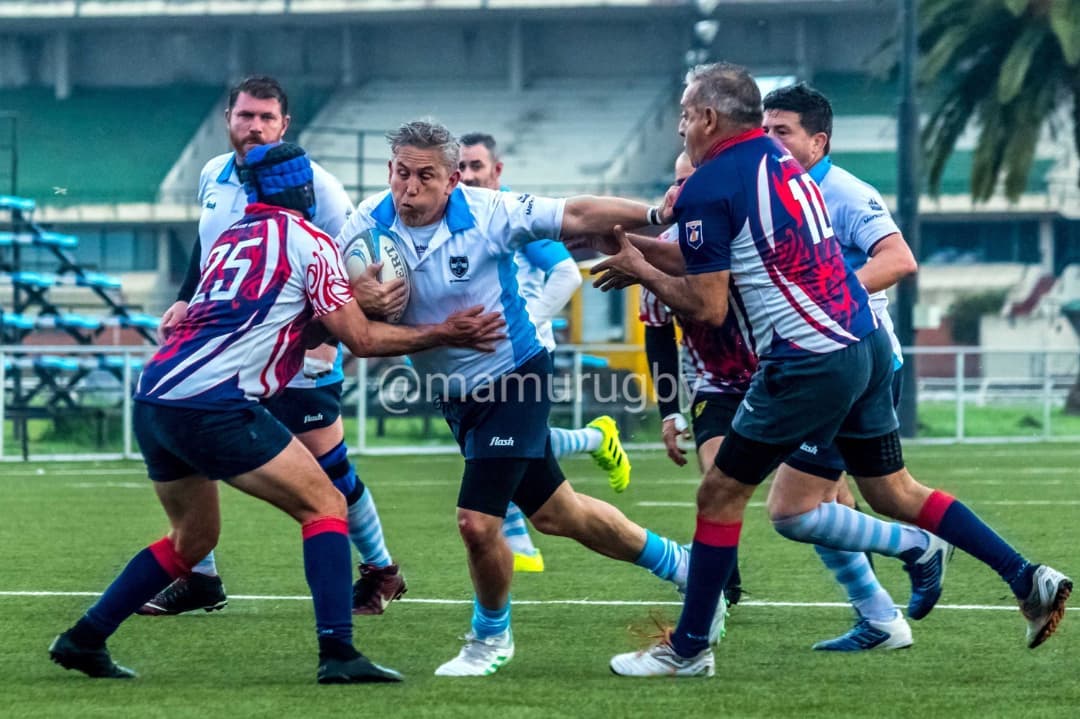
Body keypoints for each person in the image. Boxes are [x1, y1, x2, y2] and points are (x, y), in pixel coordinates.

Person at [588, 62, 1070, 677]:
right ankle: (1026, 576)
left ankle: (688, 649)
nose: (679, 129)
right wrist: (640, 247)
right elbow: (712, 253)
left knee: (721, 492)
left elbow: (707, 304)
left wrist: (641, 269)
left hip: (808, 359)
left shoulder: (712, 185)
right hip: (864, 343)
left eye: (683, 116)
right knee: (891, 491)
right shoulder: (781, 163)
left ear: (708, 119)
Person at [49, 142, 506, 683]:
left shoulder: (230, 239)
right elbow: (357, 340)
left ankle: (83, 638)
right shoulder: (310, 241)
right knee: (326, 505)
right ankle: (339, 653)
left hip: (155, 397)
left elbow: (279, 321)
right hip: (213, 403)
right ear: (302, 190)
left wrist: (343, 305)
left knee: (192, 541)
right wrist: (443, 331)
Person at [334, 120, 701, 677]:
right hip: (456, 397)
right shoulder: (363, 228)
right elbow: (342, 320)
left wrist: (656, 214)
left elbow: (577, 214)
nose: (409, 188)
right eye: (401, 173)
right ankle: (686, 566)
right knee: (560, 514)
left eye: (425, 176)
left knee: (477, 522)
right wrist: (360, 299)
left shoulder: (489, 212)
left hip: (513, 376)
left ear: (453, 179)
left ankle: (490, 639)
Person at [150, 76, 408, 617]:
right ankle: (200, 578)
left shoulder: (319, 189)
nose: (256, 127)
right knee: (191, 455)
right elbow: (210, 241)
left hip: (297, 353)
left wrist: (328, 340)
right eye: (246, 116)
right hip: (226, 353)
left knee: (330, 469)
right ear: (228, 119)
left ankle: (382, 571)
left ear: (284, 124)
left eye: (267, 117)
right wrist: (184, 299)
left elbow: (343, 266)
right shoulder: (211, 175)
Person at [762, 82, 920, 649]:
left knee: (797, 505)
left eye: (783, 132)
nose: (770, 142)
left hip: (856, 365)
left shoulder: (846, 191)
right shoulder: (778, 191)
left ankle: (929, 554)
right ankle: (880, 618)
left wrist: (828, 297)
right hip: (821, 363)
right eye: (766, 130)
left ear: (818, 141)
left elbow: (899, 258)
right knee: (832, 500)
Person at [458, 131, 632, 573]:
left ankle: (518, 545)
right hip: (479, 358)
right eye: (460, 167)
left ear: (497, 171)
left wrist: (525, 323)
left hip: (523, 356)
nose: (467, 175)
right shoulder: (459, 216)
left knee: (499, 448)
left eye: (476, 166)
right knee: (505, 449)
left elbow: (565, 274)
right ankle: (596, 439)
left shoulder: (515, 214)